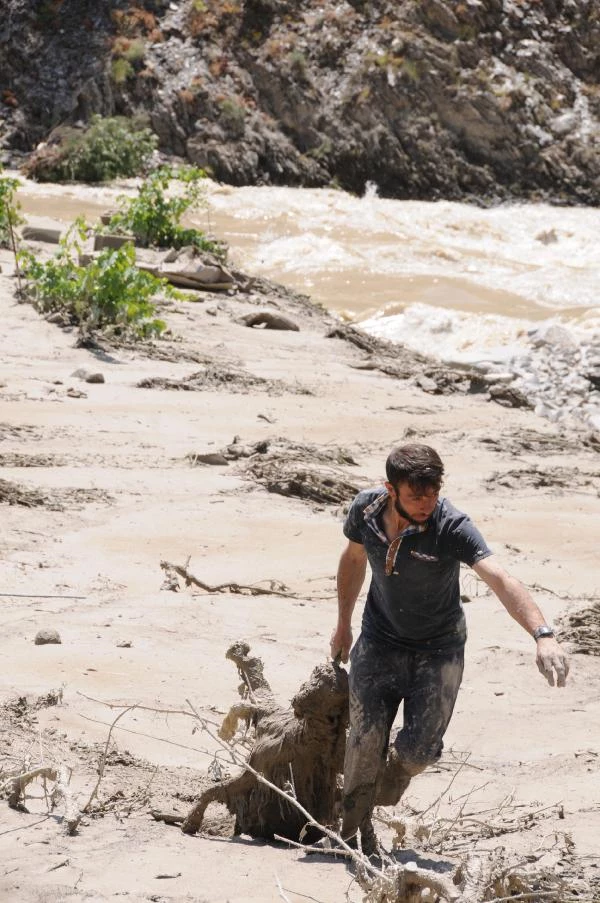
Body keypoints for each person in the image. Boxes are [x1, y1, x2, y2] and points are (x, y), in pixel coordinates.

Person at [330, 443, 569, 855]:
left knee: (418, 753)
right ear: (391, 489)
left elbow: (499, 577)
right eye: (415, 495)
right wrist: (342, 626)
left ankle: (389, 780)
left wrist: (542, 634)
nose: (426, 504)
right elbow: (352, 561)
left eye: (432, 493)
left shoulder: (451, 526)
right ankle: (352, 835)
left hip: (438, 652)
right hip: (378, 640)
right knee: (365, 739)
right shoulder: (365, 512)